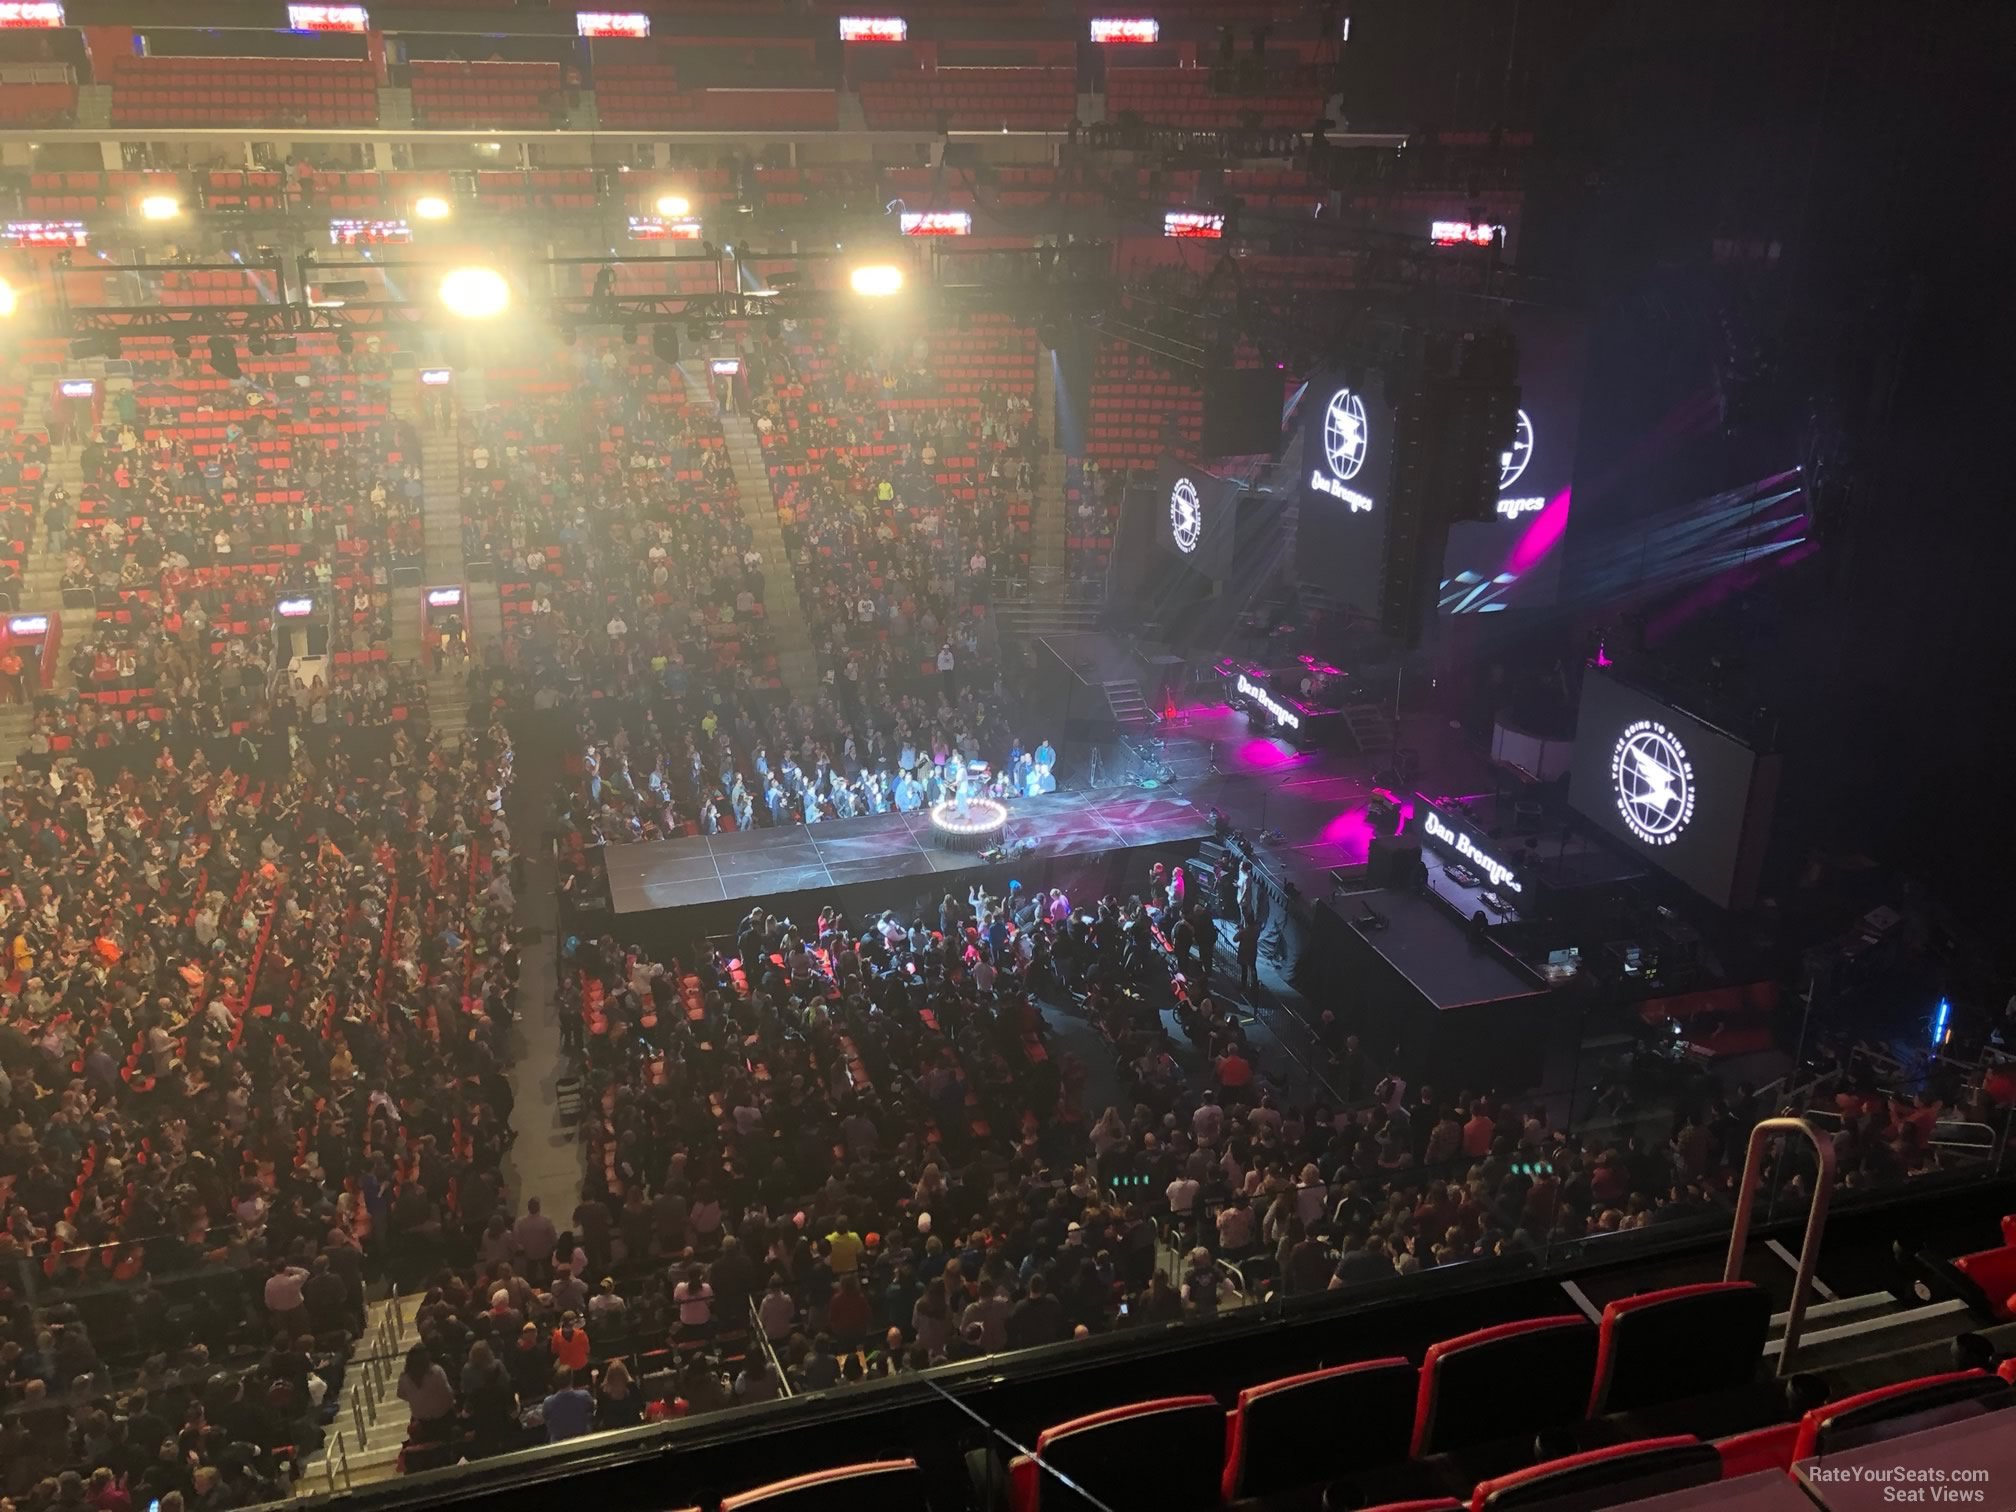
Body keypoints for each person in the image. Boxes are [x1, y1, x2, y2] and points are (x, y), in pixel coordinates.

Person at [396, 1343, 457, 1443]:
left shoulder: (404, 1378)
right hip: (443, 1420)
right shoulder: (436, 1372)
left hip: (421, 1423)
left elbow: (401, 1394)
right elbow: (448, 1394)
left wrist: (417, 1399)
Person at [542, 1367, 595, 1442]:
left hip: (558, 1444)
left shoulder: (547, 1402)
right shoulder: (584, 1396)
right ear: (571, 1379)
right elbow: (592, 1410)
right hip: (583, 1440)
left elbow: (546, 1419)